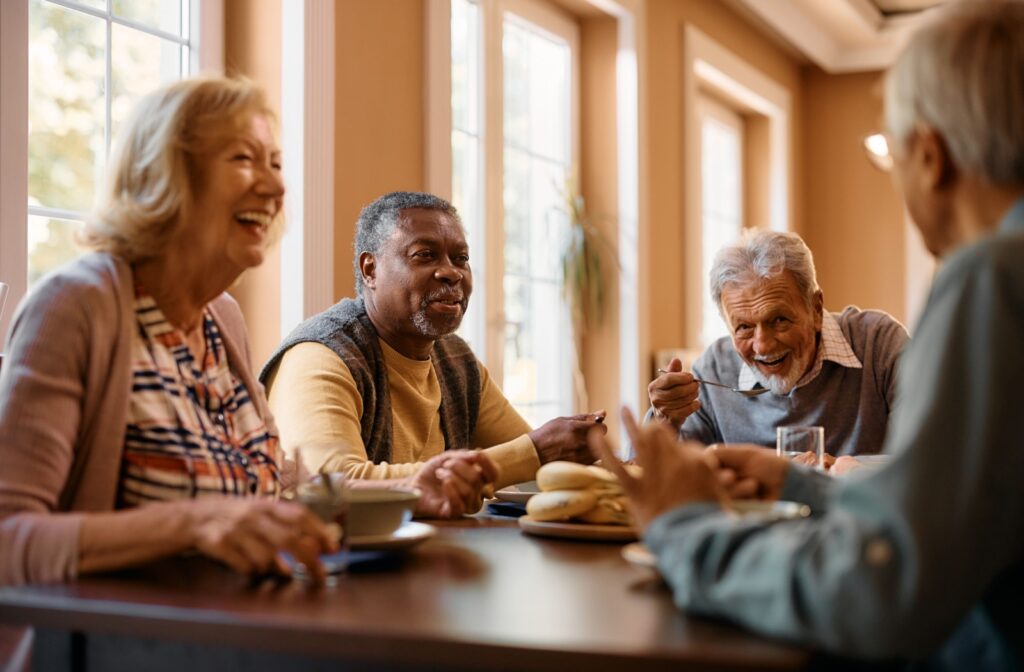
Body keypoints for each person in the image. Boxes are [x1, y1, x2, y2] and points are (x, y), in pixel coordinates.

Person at [593, 1, 1024, 667]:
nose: (760, 342)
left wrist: (684, 532)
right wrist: (794, 483)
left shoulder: (991, 280)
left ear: (930, 156)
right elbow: (957, 513)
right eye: (744, 327)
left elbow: (879, 588)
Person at [0, 77, 495, 587]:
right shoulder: (77, 306)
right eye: (243, 159)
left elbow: (273, 485)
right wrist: (193, 524)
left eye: (276, 164)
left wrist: (411, 487)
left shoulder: (221, 317)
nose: (276, 187)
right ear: (165, 174)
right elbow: (9, 540)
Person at [261, 191, 606, 489]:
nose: (451, 272)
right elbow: (333, 485)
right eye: (424, 255)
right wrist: (534, 452)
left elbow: (540, 468)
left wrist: (657, 421)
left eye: (461, 259)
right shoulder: (321, 355)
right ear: (370, 270)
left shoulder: (454, 360)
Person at [648, 229, 908, 458]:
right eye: (744, 327)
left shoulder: (879, 344)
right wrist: (664, 421)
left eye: (779, 320)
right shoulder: (713, 369)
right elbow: (649, 480)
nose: (762, 346)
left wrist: (846, 472)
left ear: (815, 309)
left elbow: (934, 455)